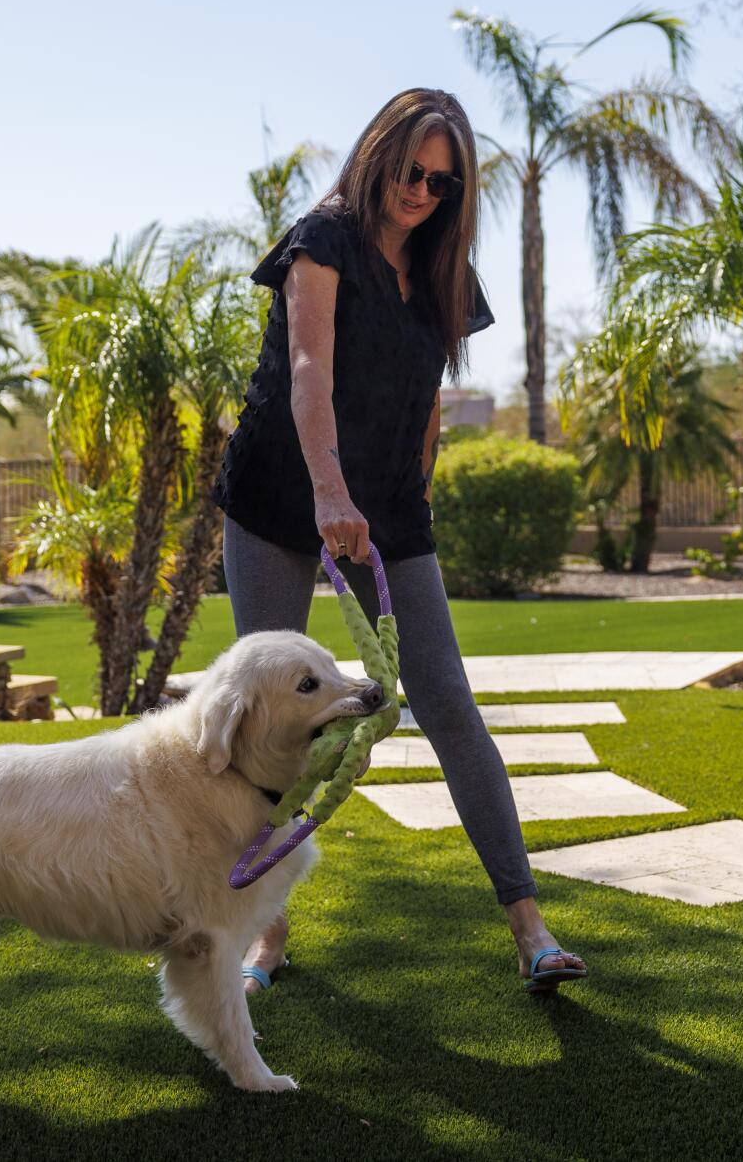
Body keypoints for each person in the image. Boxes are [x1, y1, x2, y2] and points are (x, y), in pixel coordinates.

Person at [208, 87, 588, 995]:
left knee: (449, 703)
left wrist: (407, 495)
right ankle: (267, 937)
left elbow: (425, 403)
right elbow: (309, 372)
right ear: (379, 154)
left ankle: (530, 929)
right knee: (267, 722)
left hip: (385, 512)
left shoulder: (446, 274)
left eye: (443, 184)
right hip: (279, 494)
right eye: (412, 172)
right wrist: (329, 492)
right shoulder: (323, 237)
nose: (422, 191)